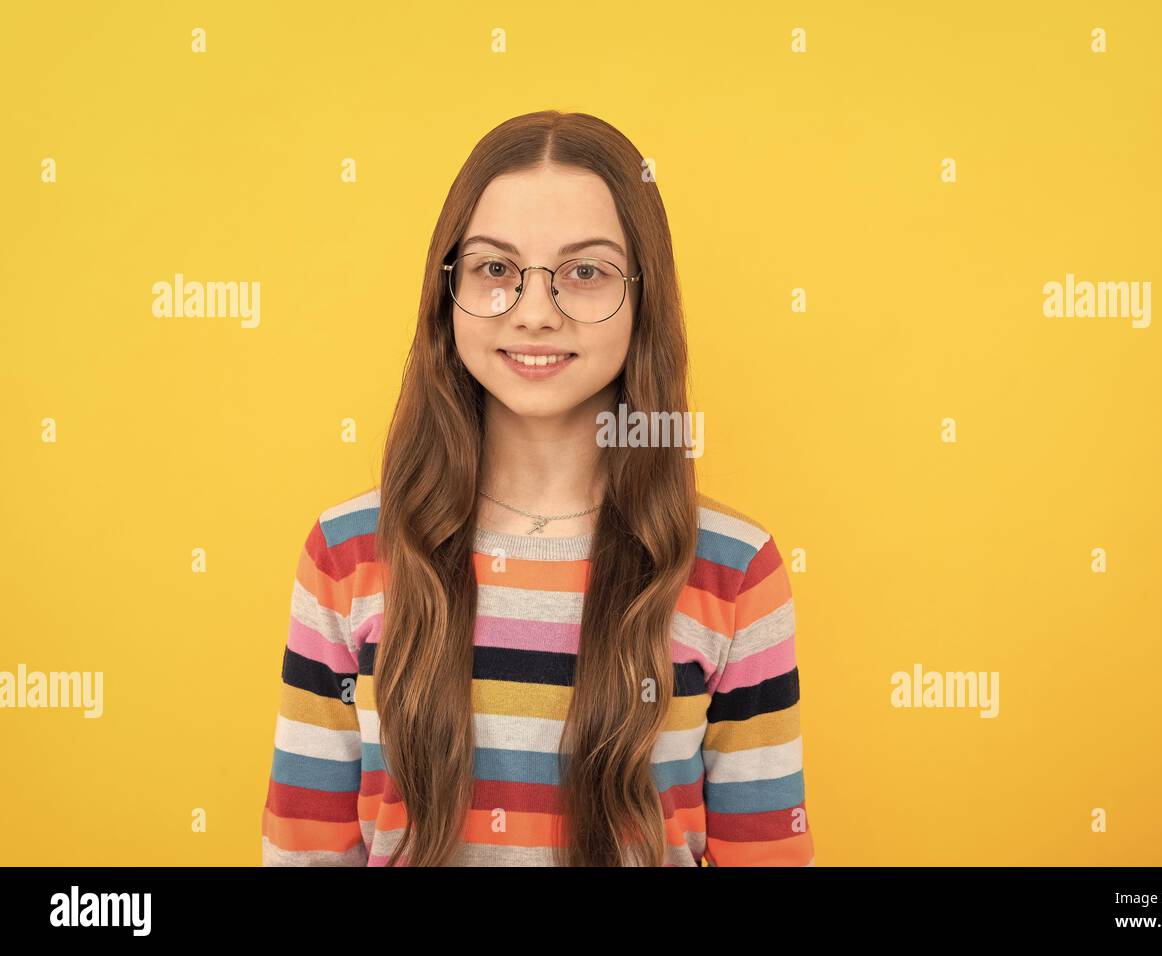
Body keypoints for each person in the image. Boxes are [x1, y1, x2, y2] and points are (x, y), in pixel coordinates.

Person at [260, 110, 813, 866]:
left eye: (586, 272)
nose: (536, 312)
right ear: (446, 291)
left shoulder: (735, 569)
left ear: (642, 295)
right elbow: (305, 852)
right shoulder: (346, 555)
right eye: (495, 269)